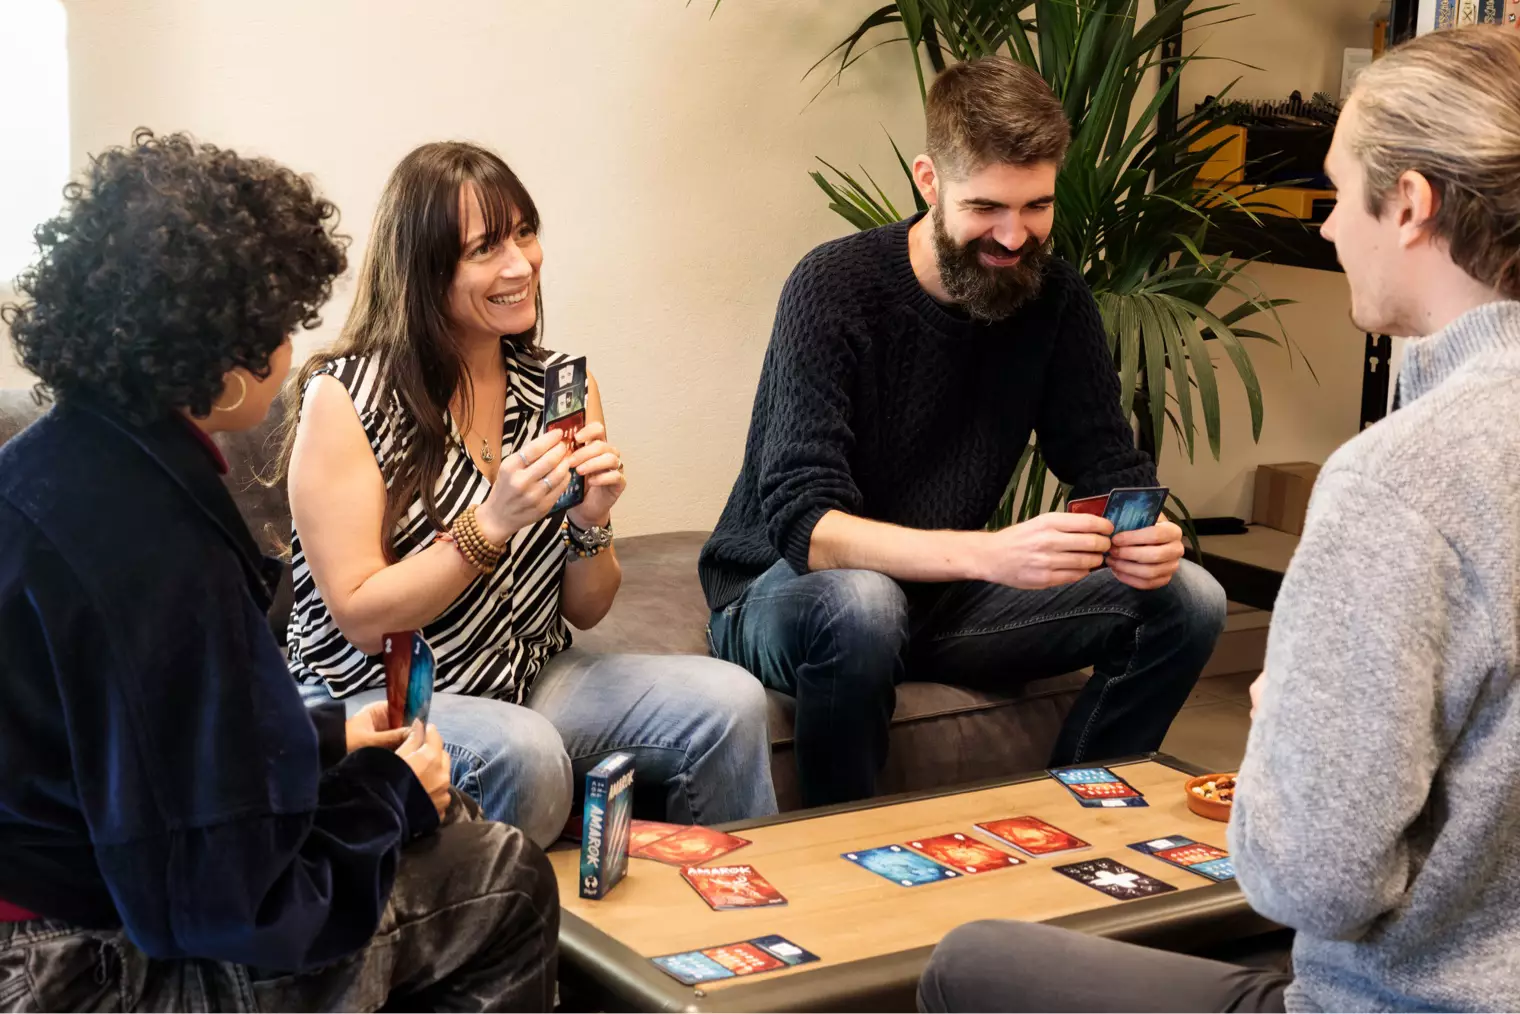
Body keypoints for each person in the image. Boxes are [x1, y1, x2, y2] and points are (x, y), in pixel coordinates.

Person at [918, 26, 1520, 1013]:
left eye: (1337, 193)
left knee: (969, 963)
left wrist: (1287, 730)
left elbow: (1313, 886)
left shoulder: (1395, 483)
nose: (1327, 228)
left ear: (1410, 204)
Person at [0, 130, 557, 1011]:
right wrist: (392, 796)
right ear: (224, 365)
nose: (294, 348)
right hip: (74, 966)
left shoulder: (48, 468)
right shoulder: (160, 546)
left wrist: (326, 738)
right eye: (283, 325)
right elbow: (227, 897)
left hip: (68, 898)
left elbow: (144, 746)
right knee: (500, 876)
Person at [701, 56, 1227, 807]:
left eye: (1037, 206)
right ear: (929, 181)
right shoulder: (832, 286)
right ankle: (844, 847)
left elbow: (1107, 461)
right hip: (785, 595)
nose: (1014, 236)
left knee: (1191, 599)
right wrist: (991, 554)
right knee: (864, 605)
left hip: (941, 599)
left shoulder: (1054, 297)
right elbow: (806, 528)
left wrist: (1146, 532)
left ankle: (1076, 814)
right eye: (987, 207)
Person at [282, 141, 777, 845]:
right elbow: (362, 616)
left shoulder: (556, 389)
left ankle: (730, 903)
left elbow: (586, 607)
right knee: (527, 751)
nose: (521, 265)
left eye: (524, 233)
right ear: (424, 268)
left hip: (531, 678)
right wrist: (490, 523)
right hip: (382, 700)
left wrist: (591, 521)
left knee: (729, 699)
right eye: (485, 248)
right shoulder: (347, 400)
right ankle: (519, 916)